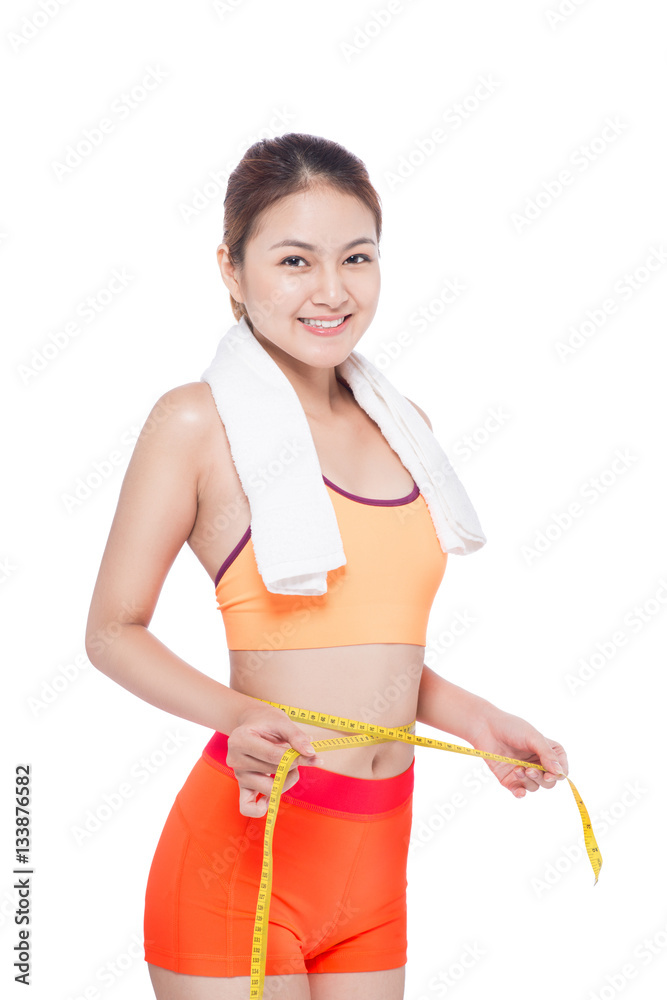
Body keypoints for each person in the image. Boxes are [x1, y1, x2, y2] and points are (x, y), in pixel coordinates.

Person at [85, 132, 568, 1000]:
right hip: (245, 851)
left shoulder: (403, 423)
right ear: (231, 271)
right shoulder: (196, 424)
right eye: (294, 261)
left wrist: (476, 718)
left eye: (357, 258)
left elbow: (366, 643)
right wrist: (238, 713)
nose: (331, 291)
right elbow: (112, 632)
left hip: (376, 863)